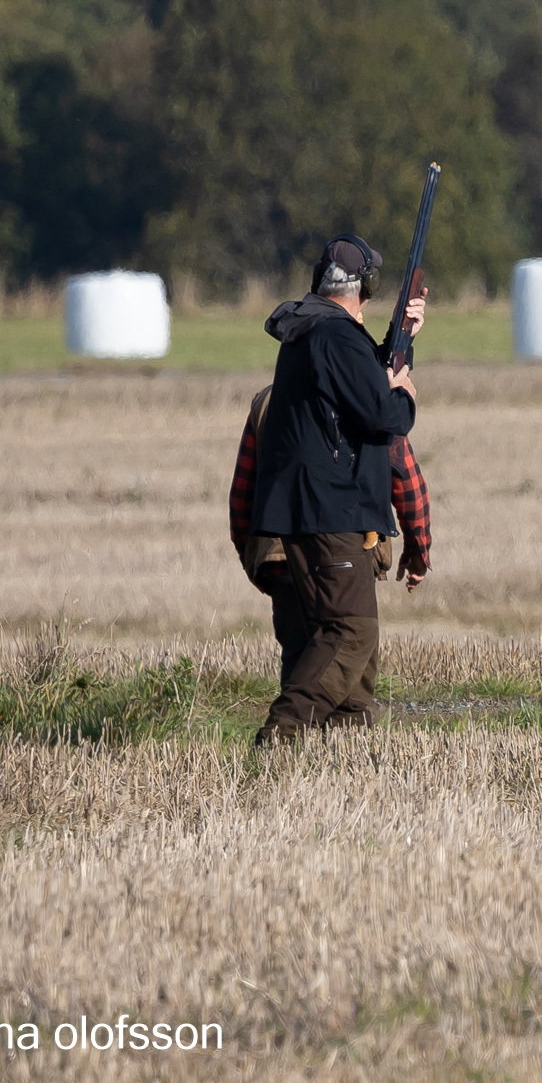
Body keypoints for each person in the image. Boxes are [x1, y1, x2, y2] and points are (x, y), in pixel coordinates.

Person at [248, 235, 426, 744]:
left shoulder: (312, 331)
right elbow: (381, 413)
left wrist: (401, 336)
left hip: (307, 509)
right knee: (351, 633)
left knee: (338, 644)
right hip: (331, 511)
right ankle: (282, 735)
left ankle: (342, 748)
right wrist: (406, 397)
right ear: (365, 285)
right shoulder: (336, 336)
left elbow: (359, 382)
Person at [229, 389, 432, 691]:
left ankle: (294, 735)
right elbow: (404, 476)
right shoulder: (367, 394)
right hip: (349, 550)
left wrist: (257, 558)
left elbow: (243, 494)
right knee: (352, 665)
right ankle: (292, 728)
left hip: (281, 556)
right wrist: (419, 548)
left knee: (300, 663)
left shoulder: (267, 401)